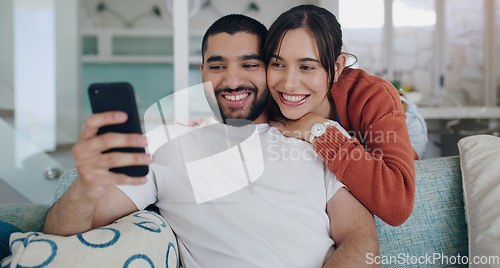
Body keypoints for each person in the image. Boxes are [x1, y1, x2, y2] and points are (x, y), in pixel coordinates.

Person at [43, 14, 380, 267]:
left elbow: (360, 241)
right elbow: (59, 233)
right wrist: (87, 185)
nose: (232, 80)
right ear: (203, 71)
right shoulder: (165, 143)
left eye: (249, 64)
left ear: (271, 70)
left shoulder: (321, 136)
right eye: (218, 66)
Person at [264, 5, 416, 226]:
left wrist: (318, 129)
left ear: (336, 68)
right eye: (278, 64)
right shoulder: (267, 98)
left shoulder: (373, 96)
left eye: (306, 67)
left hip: (402, 113)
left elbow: (398, 205)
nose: (289, 83)